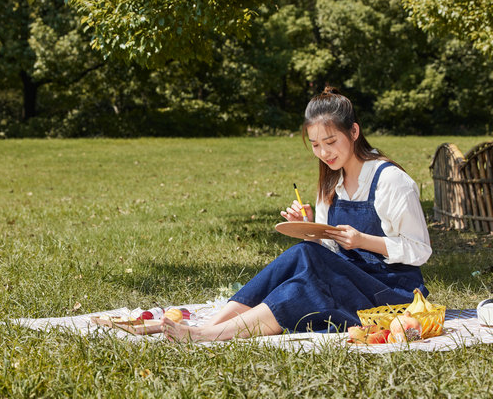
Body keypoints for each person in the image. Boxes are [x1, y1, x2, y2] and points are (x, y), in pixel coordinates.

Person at [162, 86, 432, 342]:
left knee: (304, 289)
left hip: (392, 296)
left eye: (330, 141)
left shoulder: (391, 181)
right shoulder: (331, 182)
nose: (324, 153)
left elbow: (420, 250)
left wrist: (363, 240)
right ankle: (209, 327)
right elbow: (326, 252)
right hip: (348, 282)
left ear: (354, 132)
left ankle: (206, 335)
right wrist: (309, 229)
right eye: (315, 145)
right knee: (303, 255)